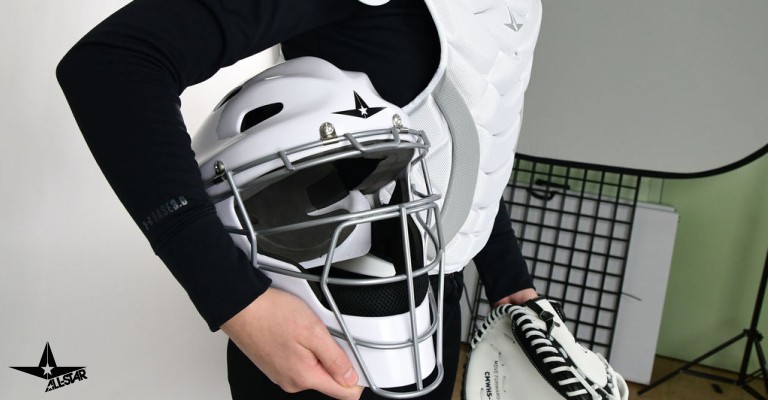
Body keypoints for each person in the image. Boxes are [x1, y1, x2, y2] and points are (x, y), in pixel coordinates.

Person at [56, 0, 538, 399]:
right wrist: (235, 301)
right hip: (324, 314)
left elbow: (460, 141)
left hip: (432, 309)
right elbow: (113, 66)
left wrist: (511, 283)